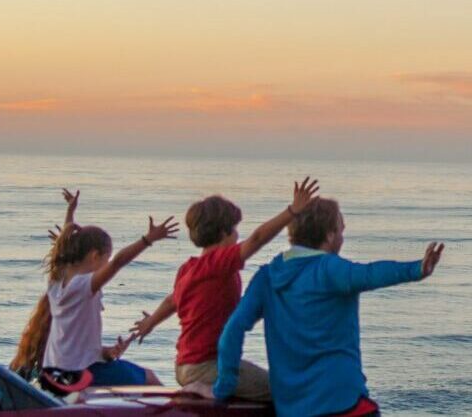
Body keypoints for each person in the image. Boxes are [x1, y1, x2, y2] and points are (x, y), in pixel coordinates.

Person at [216, 195, 446, 416]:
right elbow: (369, 274)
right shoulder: (328, 269)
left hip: (292, 409)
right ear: (328, 236)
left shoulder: (267, 277)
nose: (342, 238)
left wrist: (225, 386)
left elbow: (232, 331)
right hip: (343, 403)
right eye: (341, 231)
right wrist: (417, 269)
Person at [123, 177, 320, 401]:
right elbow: (256, 239)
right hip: (208, 368)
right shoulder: (218, 263)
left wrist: (150, 323)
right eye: (235, 229)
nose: (238, 235)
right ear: (224, 232)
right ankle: (207, 390)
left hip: (185, 365)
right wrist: (292, 212)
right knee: (287, 389)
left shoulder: (188, 269)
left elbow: (171, 301)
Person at [26, 189, 174, 393]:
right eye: (106, 258)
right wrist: (148, 240)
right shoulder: (84, 285)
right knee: (151, 380)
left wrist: (104, 352)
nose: (107, 263)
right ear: (95, 256)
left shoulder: (56, 280)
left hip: (54, 371)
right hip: (79, 373)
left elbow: (65, 241)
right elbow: (118, 263)